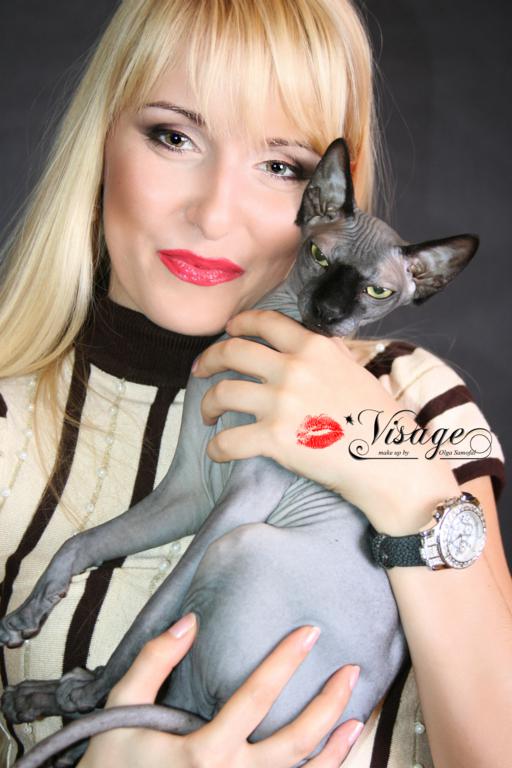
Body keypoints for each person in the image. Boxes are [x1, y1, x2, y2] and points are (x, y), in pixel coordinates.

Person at [0, 0, 510, 766]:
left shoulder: (416, 396)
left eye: (281, 166)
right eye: (174, 136)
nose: (214, 214)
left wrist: (404, 476)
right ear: (100, 139)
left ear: (325, 194)